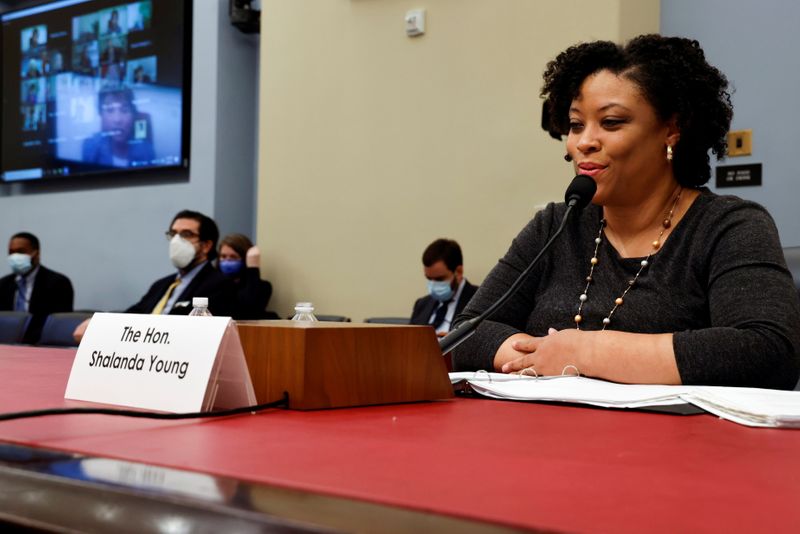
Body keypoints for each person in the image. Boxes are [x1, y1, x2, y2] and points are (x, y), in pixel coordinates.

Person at [452, 34, 800, 390]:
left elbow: (768, 353)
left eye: (612, 122)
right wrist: (540, 358)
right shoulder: (555, 226)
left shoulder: (730, 227)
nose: (584, 141)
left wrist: (585, 353)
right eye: (575, 125)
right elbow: (466, 333)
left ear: (671, 129)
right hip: (546, 434)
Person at [73, 210, 235, 342]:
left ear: (206, 245)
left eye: (186, 234)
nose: (176, 241)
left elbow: (193, 335)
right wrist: (100, 324)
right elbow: (134, 314)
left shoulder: (220, 285)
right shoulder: (161, 285)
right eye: (173, 234)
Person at [0, 232, 73, 344]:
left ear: (36, 254)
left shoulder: (58, 283)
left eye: (21, 251)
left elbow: (58, 326)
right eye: (11, 252)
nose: (15, 257)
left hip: (42, 346)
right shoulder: (3, 284)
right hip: (7, 345)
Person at [410, 239, 478, 336]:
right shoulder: (421, 305)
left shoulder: (480, 302)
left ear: (458, 272)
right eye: (429, 278)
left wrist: (454, 343)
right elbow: (408, 343)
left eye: (439, 279)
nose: (433, 284)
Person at [81, 84, 154, 167]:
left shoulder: (146, 151)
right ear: (101, 115)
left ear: (133, 115)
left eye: (124, 110)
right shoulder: (90, 146)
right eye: (110, 110)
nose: (117, 120)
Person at [217, 233, 273, 319]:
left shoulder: (263, 287)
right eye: (223, 256)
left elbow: (248, 309)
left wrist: (253, 268)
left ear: (244, 259)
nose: (227, 260)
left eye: (233, 257)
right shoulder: (214, 285)